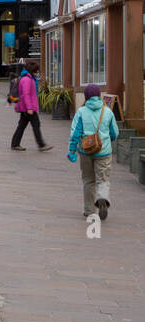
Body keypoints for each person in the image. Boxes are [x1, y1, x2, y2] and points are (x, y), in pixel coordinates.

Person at [67, 83, 117, 221]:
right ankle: (102, 198)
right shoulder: (107, 112)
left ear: (86, 96)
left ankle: (89, 210)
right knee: (103, 179)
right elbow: (114, 133)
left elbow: (75, 134)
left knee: (88, 180)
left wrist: (72, 150)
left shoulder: (81, 112)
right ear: (99, 96)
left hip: (86, 151)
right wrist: (107, 140)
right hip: (104, 152)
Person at [10, 60, 53, 152]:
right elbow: (25, 95)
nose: (37, 72)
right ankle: (41, 145)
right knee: (36, 125)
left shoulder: (28, 78)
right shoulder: (27, 80)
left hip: (25, 107)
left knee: (21, 126)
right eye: (36, 71)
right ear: (32, 70)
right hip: (28, 108)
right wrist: (29, 108)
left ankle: (15, 144)